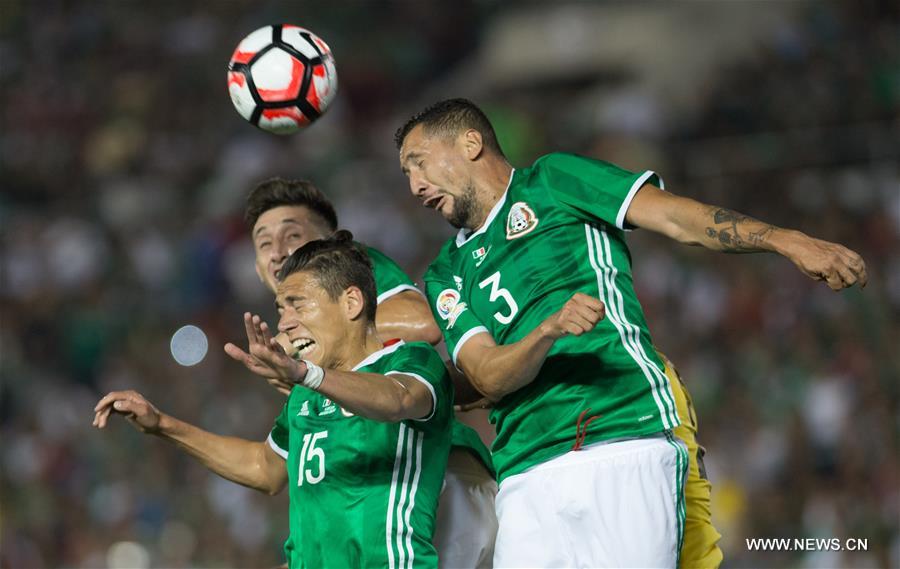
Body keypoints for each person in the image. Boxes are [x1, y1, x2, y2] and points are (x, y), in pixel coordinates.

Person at [394, 98, 867, 568]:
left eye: (419, 164)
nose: (415, 187)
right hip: (525, 471)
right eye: (405, 176)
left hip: (623, 432)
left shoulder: (554, 181)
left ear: (471, 144)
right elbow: (488, 375)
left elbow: (675, 217)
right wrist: (547, 331)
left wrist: (787, 240)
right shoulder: (444, 274)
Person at [94, 233, 454, 568]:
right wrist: (162, 425)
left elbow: (399, 399)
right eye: (281, 310)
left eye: (298, 305)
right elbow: (264, 468)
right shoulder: (305, 397)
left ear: (351, 302)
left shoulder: (412, 362)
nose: (287, 324)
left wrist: (304, 375)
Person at [244, 178, 497, 567]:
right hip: (394, 477)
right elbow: (268, 472)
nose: (278, 251)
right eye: (264, 243)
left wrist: (294, 352)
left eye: (293, 235)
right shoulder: (308, 333)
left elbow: (422, 322)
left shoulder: (347, 268)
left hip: (435, 468)